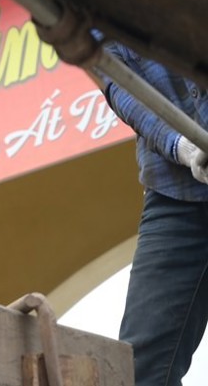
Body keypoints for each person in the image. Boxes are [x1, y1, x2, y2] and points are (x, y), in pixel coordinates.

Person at [96, 42, 208, 386]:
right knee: (139, 367)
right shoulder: (81, 14)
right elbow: (118, 84)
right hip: (175, 190)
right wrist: (184, 147)